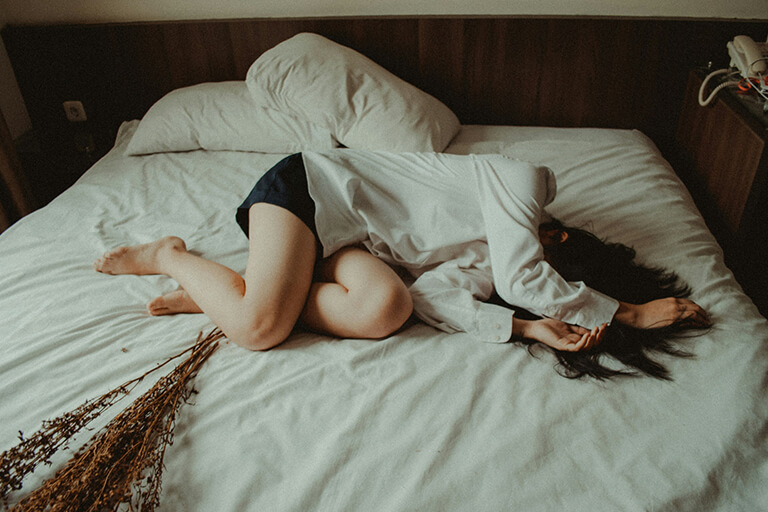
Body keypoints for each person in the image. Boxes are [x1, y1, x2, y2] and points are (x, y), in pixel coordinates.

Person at [94, 150, 710, 378]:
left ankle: (227, 292)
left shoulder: (490, 266)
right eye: (553, 253)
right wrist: (624, 312)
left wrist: (525, 326)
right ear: (558, 233)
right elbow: (530, 278)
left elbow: (433, 300)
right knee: (261, 330)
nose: (534, 256)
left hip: (351, 244)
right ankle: (172, 257)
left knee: (389, 306)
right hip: (314, 190)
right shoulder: (518, 181)